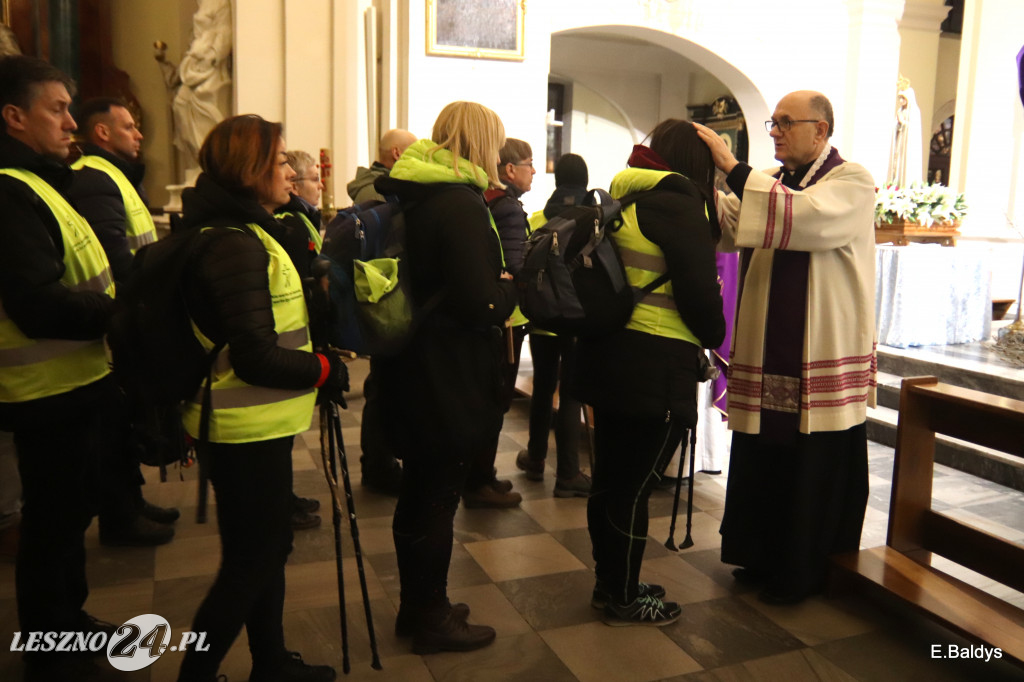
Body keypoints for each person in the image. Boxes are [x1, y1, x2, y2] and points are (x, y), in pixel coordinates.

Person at [175, 114, 345, 682]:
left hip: (255, 426)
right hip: (239, 428)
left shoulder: (246, 232)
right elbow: (254, 355)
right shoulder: (233, 243)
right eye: (278, 164)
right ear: (251, 170)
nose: (289, 176)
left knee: (266, 553)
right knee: (249, 564)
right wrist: (323, 369)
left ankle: (269, 662)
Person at [694, 90, 876, 605]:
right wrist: (702, 184)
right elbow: (735, 231)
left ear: (820, 130)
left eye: (785, 122)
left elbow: (807, 220)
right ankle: (761, 555)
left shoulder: (851, 181)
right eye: (772, 122)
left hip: (819, 350)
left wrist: (733, 167)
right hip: (769, 346)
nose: (773, 130)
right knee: (765, 456)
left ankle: (803, 570)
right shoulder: (774, 184)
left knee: (810, 459)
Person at [375, 102, 517, 653]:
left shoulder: (416, 189)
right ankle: (431, 615)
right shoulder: (459, 203)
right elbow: (481, 300)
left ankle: (418, 607)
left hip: (414, 360)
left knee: (420, 491)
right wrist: (510, 285)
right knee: (436, 496)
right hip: (446, 368)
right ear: (482, 142)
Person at [575, 120, 725, 625]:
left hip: (611, 353)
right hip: (655, 362)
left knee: (611, 482)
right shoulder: (682, 204)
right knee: (632, 488)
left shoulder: (626, 195)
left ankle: (610, 582)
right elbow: (701, 298)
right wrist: (715, 331)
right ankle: (623, 597)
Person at [0, 55, 119, 680]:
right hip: (44, 387)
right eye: (58, 108)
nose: (71, 121)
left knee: (69, 517)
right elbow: (36, 302)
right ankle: (51, 652)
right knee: (50, 527)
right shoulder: (9, 189)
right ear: (14, 117)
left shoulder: (39, 180)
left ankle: (68, 625)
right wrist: (113, 315)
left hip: (72, 381)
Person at [67, 96, 179, 547]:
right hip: (115, 319)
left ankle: (131, 501)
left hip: (128, 315)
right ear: (103, 133)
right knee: (113, 424)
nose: (139, 134)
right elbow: (115, 255)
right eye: (130, 127)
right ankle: (120, 513)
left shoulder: (111, 174)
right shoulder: (94, 179)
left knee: (125, 417)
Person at [461, 137, 534, 508]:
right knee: (497, 397)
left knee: (490, 394)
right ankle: (479, 480)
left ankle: (480, 475)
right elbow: (516, 267)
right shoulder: (508, 209)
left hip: (493, 317)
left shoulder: (486, 199)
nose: (534, 171)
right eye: (529, 164)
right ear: (509, 170)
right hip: (507, 318)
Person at [515, 153, 592, 497]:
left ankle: (534, 458)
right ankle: (568, 474)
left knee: (544, 387)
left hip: (542, 317)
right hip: (577, 320)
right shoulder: (592, 220)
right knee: (572, 391)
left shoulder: (537, 217)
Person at [346, 129, 415, 494]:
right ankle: (378, 465)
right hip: (382, 297)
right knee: (382, 389)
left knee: (381, 385)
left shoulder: (370, 187)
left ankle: (379, 461)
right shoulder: (379, 192)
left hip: (377, 294)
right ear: (395, 152)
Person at [346, 127, 417, 204]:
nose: (419, 163)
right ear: (396, 153)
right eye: (415, 155)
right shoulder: (378, 193)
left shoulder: (380, 187)